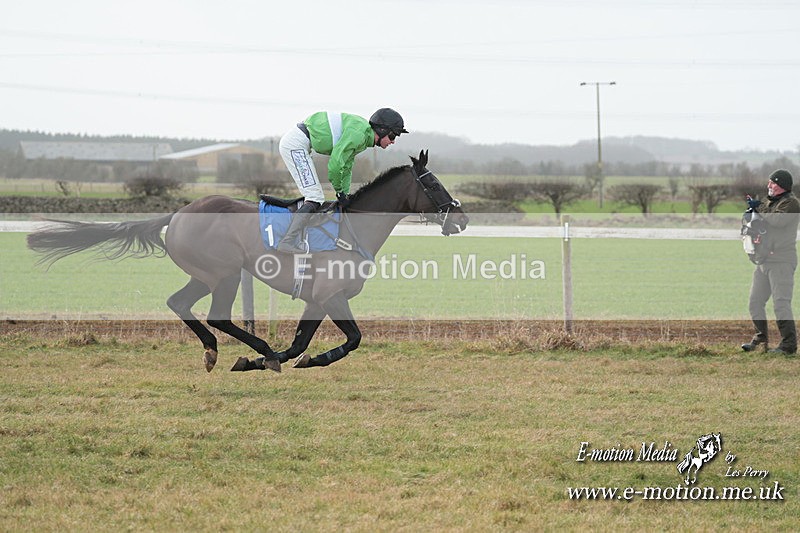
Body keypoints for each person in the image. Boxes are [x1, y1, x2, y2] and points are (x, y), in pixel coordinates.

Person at [276, 108, 408, 253]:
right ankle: (287, 241)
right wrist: (339, 191)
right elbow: (335, 164)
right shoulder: (359, 134)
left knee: (316, 196)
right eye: (392, 136)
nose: (393, 141)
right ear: (382, 130)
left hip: (301, 144)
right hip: (295, 145)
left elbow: (346, 166)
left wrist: (344, 194)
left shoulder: (363, 136)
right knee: (314, 196)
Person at [741, 169, 800, 355]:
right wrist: (751, 214)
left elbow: (776, 220)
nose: (769, 185)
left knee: (781, 303)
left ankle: (788, 346)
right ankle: (760, 340)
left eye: (772, 183)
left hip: (782, 260)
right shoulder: (769, 201)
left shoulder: (791, 203)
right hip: (764, 260)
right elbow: (763, 220)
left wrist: (760, 208)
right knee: (755, 302)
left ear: (782, 185)